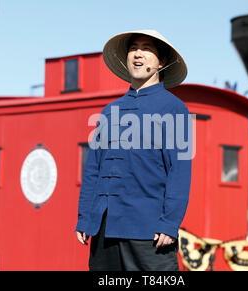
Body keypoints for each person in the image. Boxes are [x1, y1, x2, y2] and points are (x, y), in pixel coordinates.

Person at [75, 30, 192, 271]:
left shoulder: (175, 109)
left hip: (150, 231)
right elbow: (93, 169)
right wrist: (85, 217)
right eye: (133, 48)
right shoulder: (109, 111)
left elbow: (179, 173)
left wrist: (169, 223)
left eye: (147, 48)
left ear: (162, 62)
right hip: (104, 229)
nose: (138, 54)